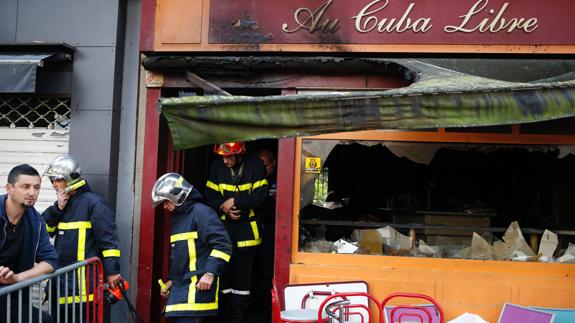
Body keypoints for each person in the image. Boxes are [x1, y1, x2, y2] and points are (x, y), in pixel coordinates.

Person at [42, 155, 121, 323]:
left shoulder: (95, 204)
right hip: (60, 289)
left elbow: (109, 244)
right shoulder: (62, 205)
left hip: (84, 291)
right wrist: (57, 208)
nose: (54, 185)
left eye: (57, 179)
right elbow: (43, 231)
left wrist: (113, 272)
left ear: (70, 178)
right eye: (52, 180)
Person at [152, 173, 232, 323]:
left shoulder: (201, 213)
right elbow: (181, 257)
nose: (165, 207)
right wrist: (171, 281)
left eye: (166, 201)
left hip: (197, 291)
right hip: (180, 292)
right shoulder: (179, 219)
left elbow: (223, 244)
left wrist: (210, 273)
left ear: (178, 196)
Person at [205, 142, 268, 323]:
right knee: (223, 276)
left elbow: (260, 196)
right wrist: (224, 209)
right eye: (223, 157)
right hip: (224, 233)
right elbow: (210, 195)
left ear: (240, 154)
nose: (226, 161)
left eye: (229, 157)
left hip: (248, 234)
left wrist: (235, 201)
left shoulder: (255, 166)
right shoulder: (217, 167)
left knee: (243, 278)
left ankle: (240, 316)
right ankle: (225, 314)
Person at [0, 164, 58, 323]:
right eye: (26, 187)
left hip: (14, 294)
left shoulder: (36, 221)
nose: (32, 192)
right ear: (9, 188)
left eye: (36, 187)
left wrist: (17, 278)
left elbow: (50, 261)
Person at [248, 149, 277, 323]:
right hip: (252, 234)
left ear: (273, 163)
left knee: (267, 274)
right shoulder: (252, 179)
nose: (262, 169)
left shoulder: (284, 178)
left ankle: (267, 313)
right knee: (253, 273)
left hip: (273, 234)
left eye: (264, 165)